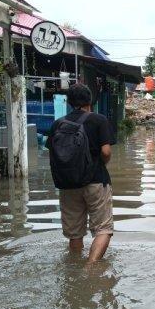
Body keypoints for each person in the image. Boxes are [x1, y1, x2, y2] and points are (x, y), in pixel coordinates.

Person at [46, 84, 114, 263]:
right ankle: (90, 268)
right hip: (96, 182)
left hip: (68, 185)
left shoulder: (57, 124)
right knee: (103, 229)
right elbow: (106, 152)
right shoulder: (99, 120)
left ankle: (75, 266)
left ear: (68, 102)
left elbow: (52, 153)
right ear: (90, 100)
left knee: (74, 234)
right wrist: (100, 165)